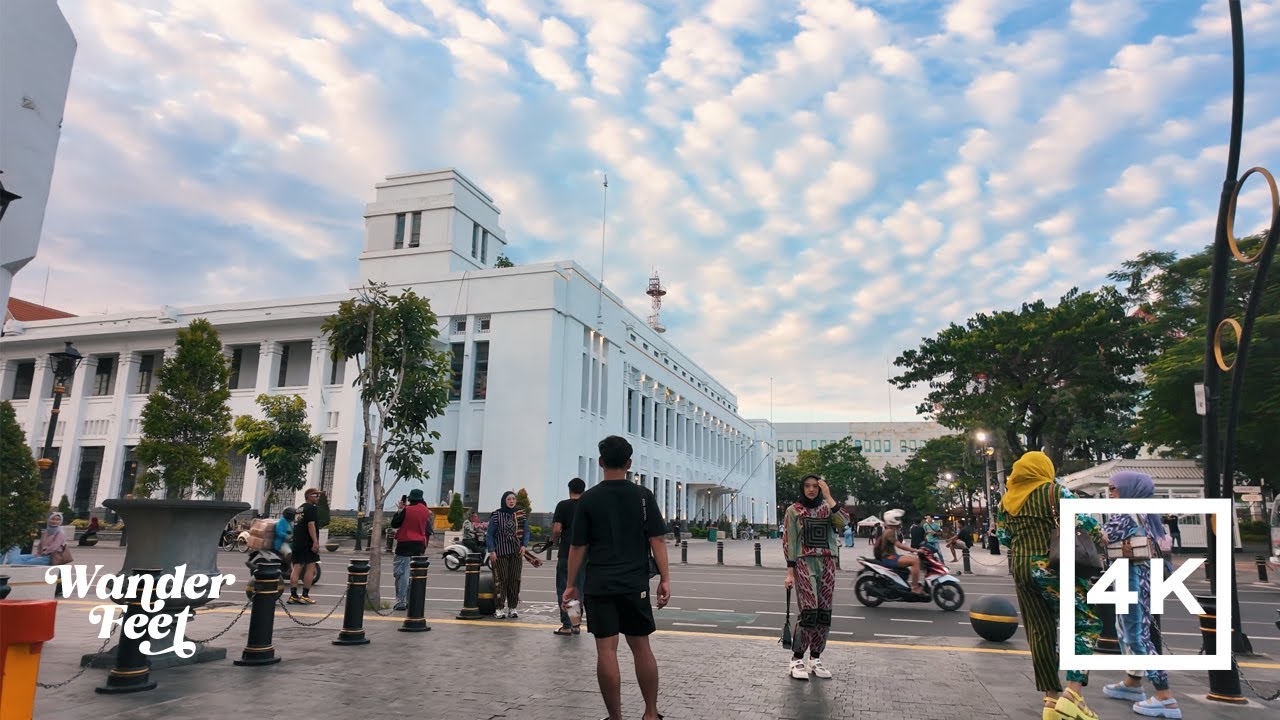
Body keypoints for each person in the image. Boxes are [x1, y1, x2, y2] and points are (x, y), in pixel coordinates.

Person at [563, 436, 670, 720]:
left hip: (599, 584)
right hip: (635, 584)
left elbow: (578, 547)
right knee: (641, 646)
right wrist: (665, 579)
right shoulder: (643, 496)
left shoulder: (588, 499)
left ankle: (615, 717)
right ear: (629, 464)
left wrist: (571, 585)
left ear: (601, 462)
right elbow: (657, 540)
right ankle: (650, 713)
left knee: (606, 650)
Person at [997, 451, 1102, 720]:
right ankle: (1073, 694)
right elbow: (1086, 524)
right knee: (1085, 623)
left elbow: (1003, 537)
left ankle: (1051, 700)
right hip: (1054, 565)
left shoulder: (1007, 500)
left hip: (1021, 568)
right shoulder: (1054, 492)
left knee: (1040, 632)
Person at [1100, 472, 1181, 719]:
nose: (1110, 493)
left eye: (1113, 488)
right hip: (1139, 576)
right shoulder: (1143, 511)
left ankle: (1165, 697)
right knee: (1126, 630)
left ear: (1129, 489)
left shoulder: (1126, 513)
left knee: (1136, 635)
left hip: (1131, 577)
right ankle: (1133, 682)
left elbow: (1101, 536)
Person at [783, 474, 847, 681]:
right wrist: (790, 572)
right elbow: (790, 541)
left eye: (815, 486)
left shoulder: (827, 508)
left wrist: (828, 496)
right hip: (804, 562)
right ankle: (797, 658)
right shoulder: (793, 510)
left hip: (827, 563)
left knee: (824, 612)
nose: (811, 490)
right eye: (807, 486)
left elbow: (843, 522)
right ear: (802, 488)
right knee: (809, 610)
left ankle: (816, 657)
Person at [551, 477, 587, 636]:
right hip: (584, 554)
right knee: (579, 589)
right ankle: (576, 624)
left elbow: (557, 529)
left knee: (564, 588)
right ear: (583, 490)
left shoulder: (562, 505)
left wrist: (554, 541)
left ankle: (566, 626)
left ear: (569, 489)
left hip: (566, 552)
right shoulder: (587, 506)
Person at [486, 490, 530, 619]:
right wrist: (492, 550)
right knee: (501, 580)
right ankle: (499, 608)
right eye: (509, 499)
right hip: (500, 553)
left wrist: (524, 545)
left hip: (516, 553)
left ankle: (512, 608)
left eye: (513, 499)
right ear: (504, 501)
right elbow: (490, 534)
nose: (511, 501)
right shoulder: (496, 515)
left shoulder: (520, 515)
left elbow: (526, 531)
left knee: (515, 580)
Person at [390, 488, 433, 611]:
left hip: (404, 543)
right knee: (414, 574)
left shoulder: (407, 510)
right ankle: (411, 600)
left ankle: (401, 601)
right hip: (419, 544)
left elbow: (395, 523)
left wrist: (400, 509)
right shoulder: (426, 511)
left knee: (402, 573)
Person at [875, 510, 925, 594]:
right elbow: (899, 545)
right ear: (892, 519)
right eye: (897, 518)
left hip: (891, 556)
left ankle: (902, 586)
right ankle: (915, 588)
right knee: (915, 561)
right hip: (889, 558)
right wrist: (916, 550)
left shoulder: (891, 530)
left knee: (907, 569)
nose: (899, 520)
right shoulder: (889, 531)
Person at [288, 488, 322, 605]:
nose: (318, 498)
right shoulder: (311, 508)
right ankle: (305, 596)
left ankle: (293, 596)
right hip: (307, 543)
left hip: (297, 542)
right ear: (309, 496)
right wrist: (315, 542)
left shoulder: (299, 509)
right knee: (310, 568)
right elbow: (311, 525)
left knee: (296, 568)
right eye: (316, 495)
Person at [2, 512, 70, 566]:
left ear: (61, 521)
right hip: (42, 555)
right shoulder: (46, 531)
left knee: (22, 563)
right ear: (48, 520)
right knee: (16, 559)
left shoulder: (60, 532)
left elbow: (54, 546)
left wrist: (44, 553)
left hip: (52, 557)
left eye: (58, 520)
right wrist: (38, 553)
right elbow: (40, 544)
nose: (54, 521)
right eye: (53, 519)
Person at [274, 507, 296, 573]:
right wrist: (287, 536)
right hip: (282, 542)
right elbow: (279, 531)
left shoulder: (292, 522)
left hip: (291, 542)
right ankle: (289, 568)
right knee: (289, 553)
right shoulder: (282, 521)